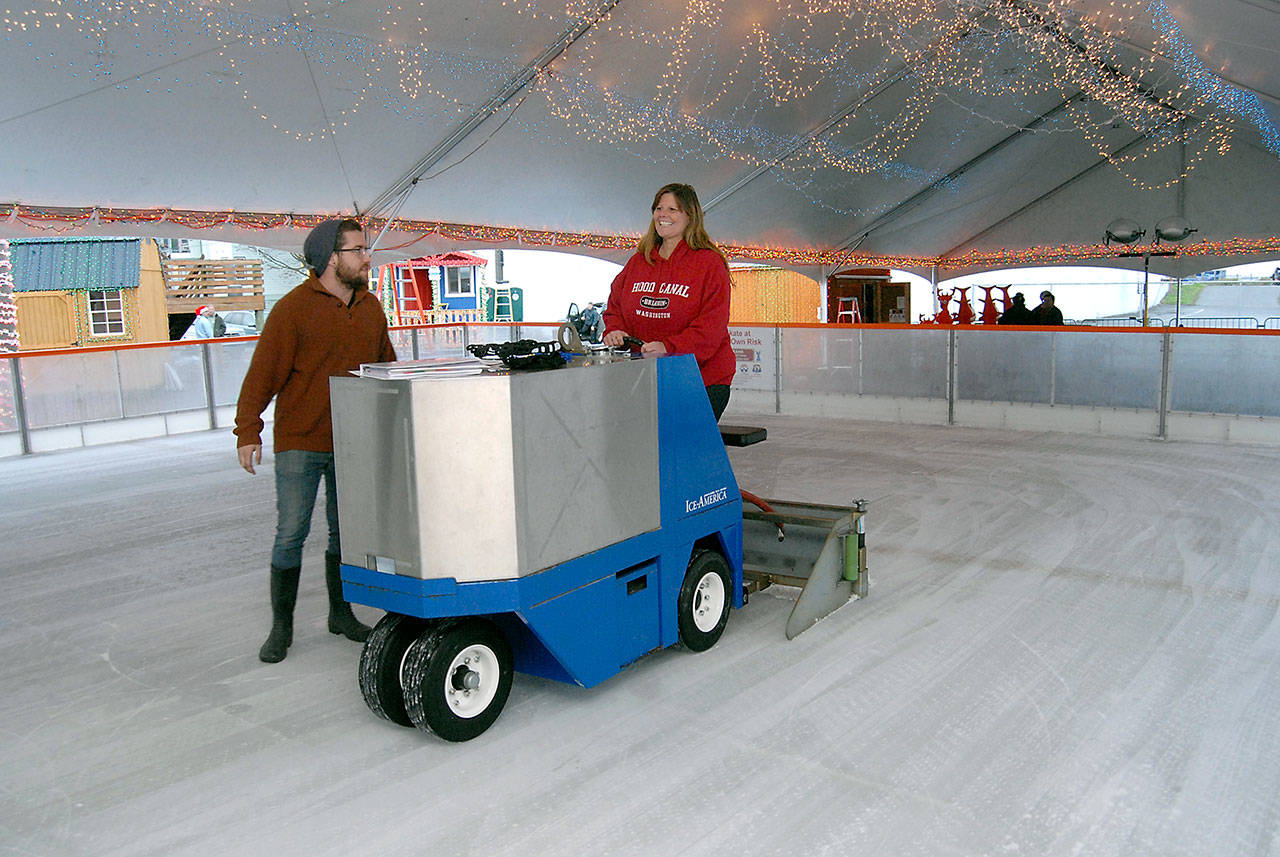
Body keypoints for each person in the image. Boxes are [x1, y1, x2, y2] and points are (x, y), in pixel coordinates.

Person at [234, 218, 398, 663]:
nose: (367, 257)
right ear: (331, 258)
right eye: (358, 250)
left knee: (345, 535)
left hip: (351, 443)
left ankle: (339, 614)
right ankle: (281, 628)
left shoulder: (371, 308)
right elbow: (262, 376)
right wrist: (248, 430)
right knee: (291, 533)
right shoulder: (292, 310)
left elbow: (387, 369)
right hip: (301, 442)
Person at [601, 183, 734, 420]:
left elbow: (711, 327)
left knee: (680, 451)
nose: (663, 215)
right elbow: (615, 308)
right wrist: (615, 330)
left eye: (673, 209)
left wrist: (669, 347)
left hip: (700, 380)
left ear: (690, 216)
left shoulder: (709, 263)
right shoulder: (638, 262)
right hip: (646, 379)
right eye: (659, 208)